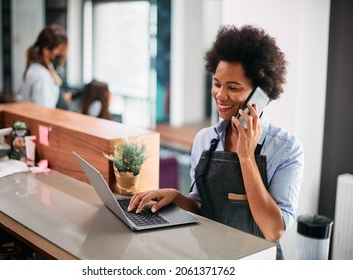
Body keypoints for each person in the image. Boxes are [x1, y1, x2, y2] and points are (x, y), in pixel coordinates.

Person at [128, 25, 304, 259]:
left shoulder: (286, 150)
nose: (220, 95)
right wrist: (176, 196)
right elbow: (203, 206)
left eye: (233, 87)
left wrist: (246, 156)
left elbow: (274, 230)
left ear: (259, 95)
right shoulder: (205, 139)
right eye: (217, 83)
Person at [19, 24, 71, 109]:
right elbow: (43, 113)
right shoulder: (41, 76)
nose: (61, 55)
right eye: (59, 50)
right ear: (46, 51)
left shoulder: (44, 68)